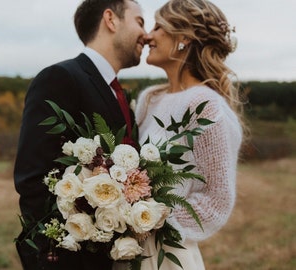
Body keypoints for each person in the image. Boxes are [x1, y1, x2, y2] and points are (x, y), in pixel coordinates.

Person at [14, 1, 146, 269]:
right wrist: (49, 257)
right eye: (140, 22)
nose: (146, 33)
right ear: (111, 19)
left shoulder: (120, 93)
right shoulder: (60, 78)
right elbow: (33, 179)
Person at [114, 0, 244, 269]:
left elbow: (216, 200)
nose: (148, 35)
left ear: (184, 38)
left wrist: (154, 218)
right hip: (126, 248)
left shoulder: (205, 106)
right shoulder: (151, 98)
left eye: (159, 27)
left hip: (167, 255)